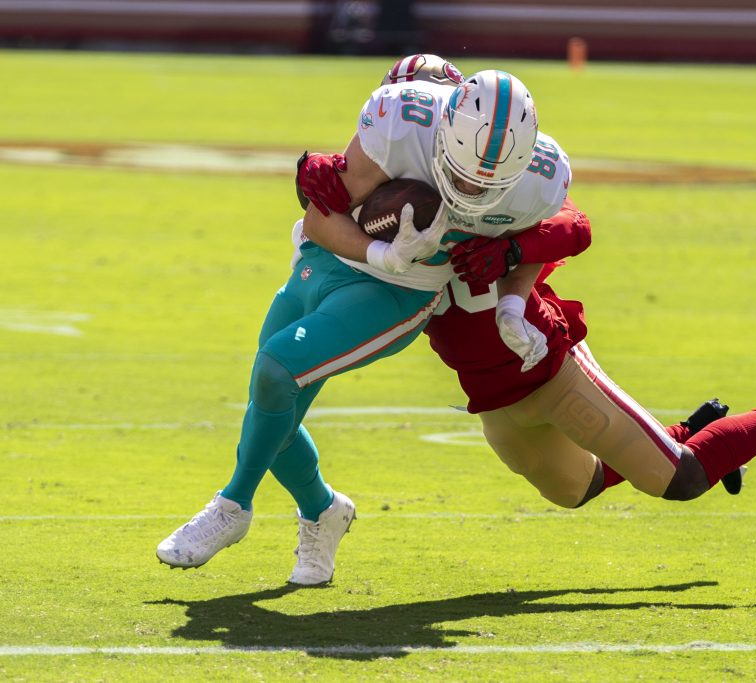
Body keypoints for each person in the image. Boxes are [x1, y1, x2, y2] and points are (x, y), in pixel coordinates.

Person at [301, 56, 756, 511]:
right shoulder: (379, 175)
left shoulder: (520, 174)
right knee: (578, 489)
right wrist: (318, 186)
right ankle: (689, 430)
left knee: (680, 478)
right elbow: (323, 214)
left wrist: (511, 254)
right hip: (489, 393)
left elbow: (573, 227)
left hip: (546, 365)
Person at [157, 66, 573, 585]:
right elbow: (319, 218)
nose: (471, 187)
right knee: (271, 413)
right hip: (334, 260)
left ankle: (233, 505)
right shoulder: (401, 121)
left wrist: (512, 303)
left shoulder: (543, 176)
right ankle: (323, 510)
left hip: (400, 294)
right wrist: (381, 251)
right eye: (463, 172)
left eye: (487, 180)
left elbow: (536, 240)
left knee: (275, 370)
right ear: (442, 126)